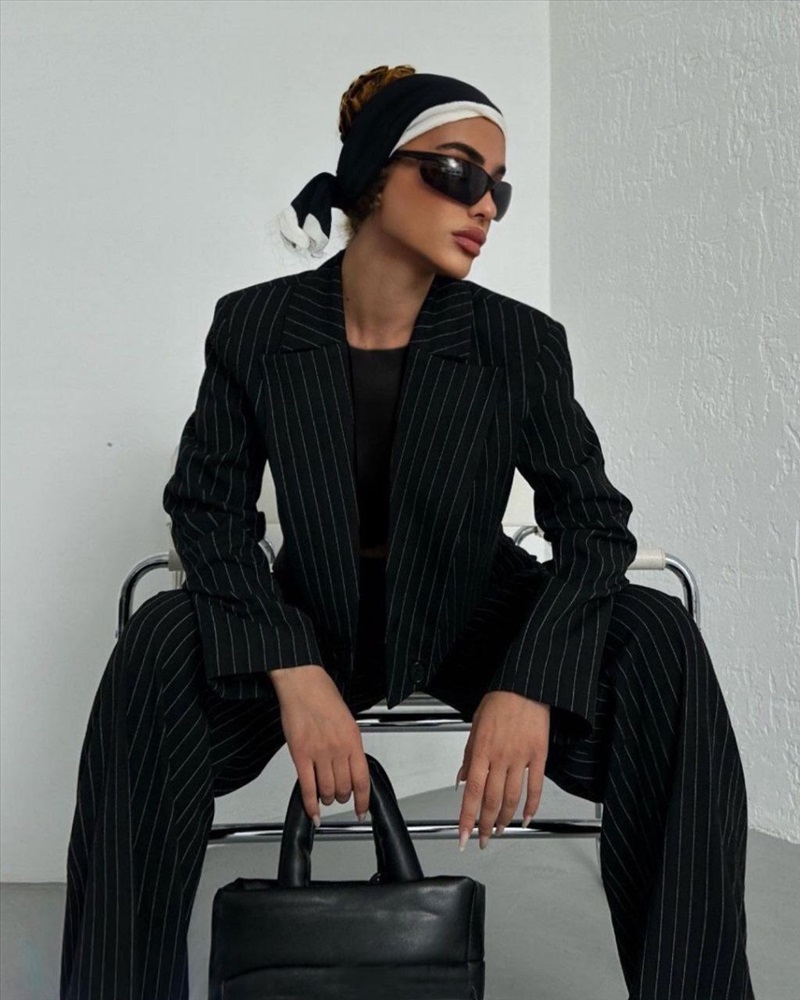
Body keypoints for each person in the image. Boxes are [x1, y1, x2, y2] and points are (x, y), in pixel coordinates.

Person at [59, 64, 755, 1000]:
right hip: (310, 610)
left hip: (476, 608)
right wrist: (291, 666)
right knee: (157, 645)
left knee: (657, 637)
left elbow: (594, 524)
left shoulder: (517, 341)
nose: (486, 205)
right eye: (459, 172)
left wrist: (530, 678)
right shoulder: (256, 326)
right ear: (374, 176)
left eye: (498, 187)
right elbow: (208, 511)